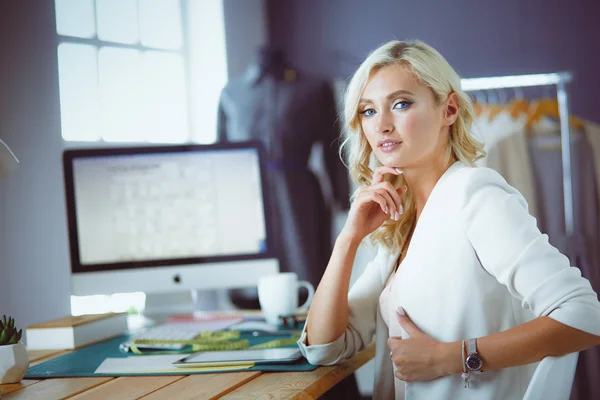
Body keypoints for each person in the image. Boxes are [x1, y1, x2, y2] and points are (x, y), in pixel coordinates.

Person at [296, 40, 600, 399]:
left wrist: (452, 357)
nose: (383, 125)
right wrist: (349, 238)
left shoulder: (477, 196)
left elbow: (584, 316)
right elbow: (324, 346)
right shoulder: (401, 223)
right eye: (368, 111)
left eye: (401, 103)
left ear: (449, 110)